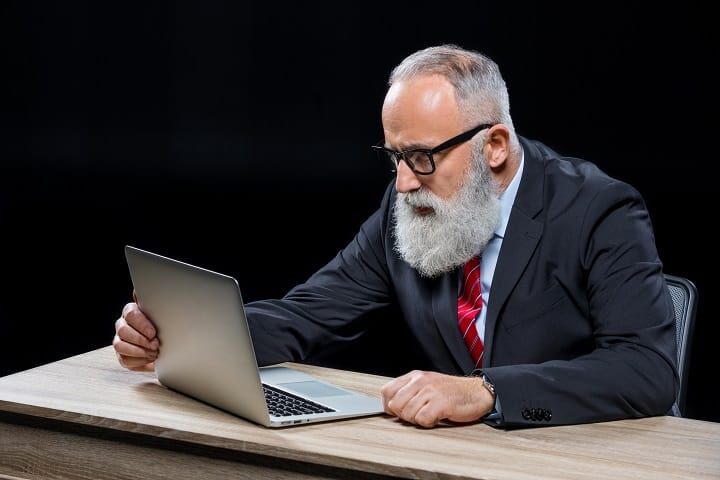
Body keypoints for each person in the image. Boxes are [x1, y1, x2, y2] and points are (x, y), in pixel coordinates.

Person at [113, 45, 677, 428]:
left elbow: (647, 371)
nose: (404, 182)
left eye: (423, 157)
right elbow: (308, 314)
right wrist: (182, 336)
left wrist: (487, 391)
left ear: (495, 146)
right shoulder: (407, 205)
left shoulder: (600, 209)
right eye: (395, 157)